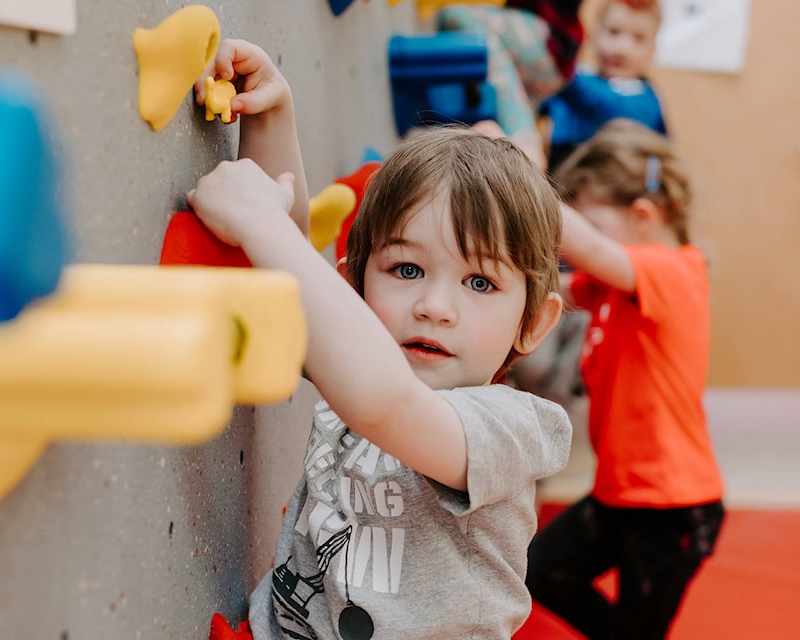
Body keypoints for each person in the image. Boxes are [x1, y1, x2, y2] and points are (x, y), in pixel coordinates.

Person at [188, 38, 573, 640]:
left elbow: (386, 403)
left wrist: (261, 221)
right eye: (407, 270)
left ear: (534, 322)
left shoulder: (517, 428)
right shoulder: (366, 352)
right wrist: (268, 116)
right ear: (354, 285)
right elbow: (293, 289)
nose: (434, 307)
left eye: (480, 281)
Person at [525, 118, 726, 640]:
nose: (580, 246)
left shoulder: (675, 271)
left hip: (672, 509)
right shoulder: (613, 288)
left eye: (595, 226)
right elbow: (556, 287)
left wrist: (524, 176)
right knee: (541, 569)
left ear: (642, 216)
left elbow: (589, 250)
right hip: (619, 497)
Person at [435, 0, 585, 170]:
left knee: (454, 16)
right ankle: (523, 140)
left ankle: (524, 140)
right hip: (552, 54)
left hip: (548, 43)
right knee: (507, 87)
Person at [540, 0, 668, 173]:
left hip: (608, 190)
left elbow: (602, 104)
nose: (622, 49)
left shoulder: (645, 100)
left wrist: (560, 56)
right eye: (613, 32)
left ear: (653, 49)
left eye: (639, 39)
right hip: (556, 181)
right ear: (594, 34)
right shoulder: (580, 78)